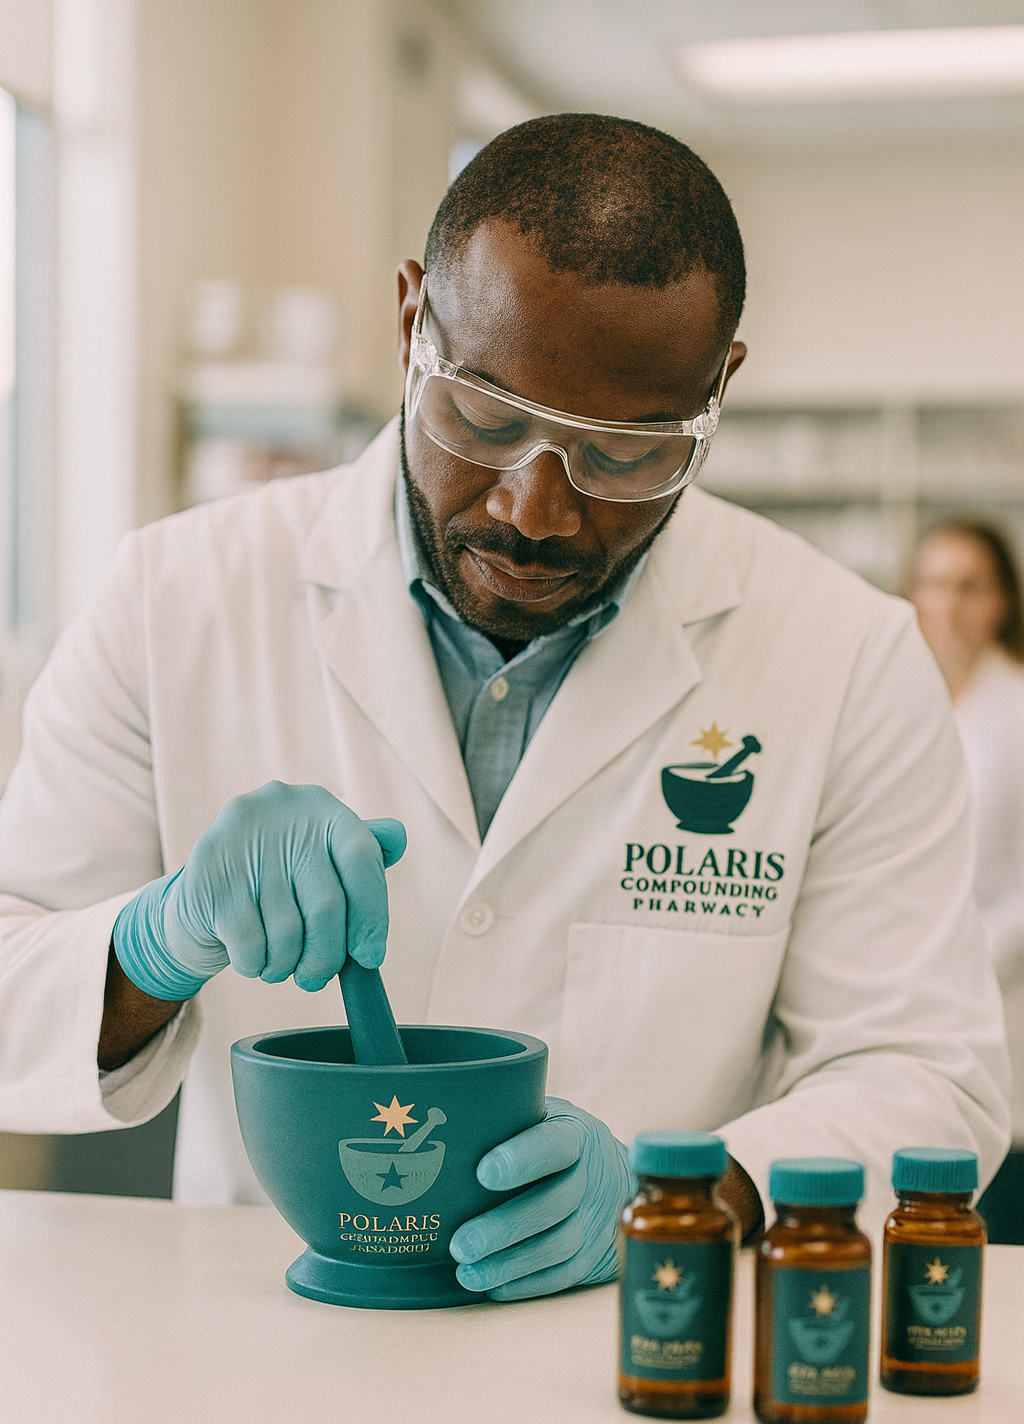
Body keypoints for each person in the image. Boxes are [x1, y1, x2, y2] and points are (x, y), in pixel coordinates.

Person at [0, 116, 1009, 1300]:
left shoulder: (845, 655)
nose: (535, 509)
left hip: (641, 1347)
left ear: (717, 390)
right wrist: (158, 941)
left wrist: (681, 1196)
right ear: (409, 321)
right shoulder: (173, 598)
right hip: (264, 1356)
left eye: (624, 451)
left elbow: (927, 1077)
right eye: (482, 415)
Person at [908, 520, 1024, 1242]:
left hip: (998, 989)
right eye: (932, 583)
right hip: (907, 991)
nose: (946, 604)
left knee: (993, 1207)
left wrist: (959, 957)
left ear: (1000, 601)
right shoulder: (903, 699)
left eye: (967, 586)